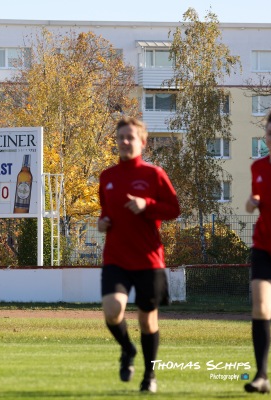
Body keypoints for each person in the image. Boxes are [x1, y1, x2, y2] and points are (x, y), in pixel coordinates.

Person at [98, 116, 180, 393]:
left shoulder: (154, 175)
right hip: (116, 258)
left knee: (147, 320)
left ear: (142, 141)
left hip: (148, 259)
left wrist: (147, 204)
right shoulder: (106, 177)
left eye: (130, 137)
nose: (124, 141)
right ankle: (127, 349)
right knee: (112, 311)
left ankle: (150, 376)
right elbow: (105, 213)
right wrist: (102, 222)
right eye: (120, 137)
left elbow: (173, 209)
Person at [244, 107, 271, 394]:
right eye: (270, 133)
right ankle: (261, 376)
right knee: (260, 308)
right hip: (264, 247)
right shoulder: (257, 167)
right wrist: (251, 202)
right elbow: (251, 201)